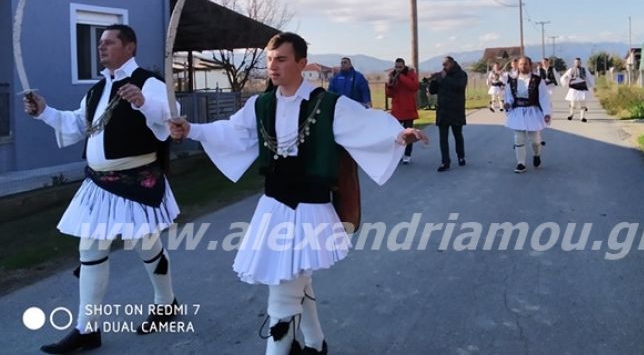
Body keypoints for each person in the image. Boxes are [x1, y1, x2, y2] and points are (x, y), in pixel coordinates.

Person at [169, 32, 426, 355]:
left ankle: (294, 347)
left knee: (282, 294)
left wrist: (399, 134)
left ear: (302, 63)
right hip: (273, 207)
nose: (272, 67)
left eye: (281, 59)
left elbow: (367, 124)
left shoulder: (329, 104)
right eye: (269, 60)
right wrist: (191, 129)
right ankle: (316, 344)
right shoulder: (260, 104)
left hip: (310, 209)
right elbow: (232, 132)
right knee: (293, 280)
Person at [24, 24, 180, 353]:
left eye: (109, 42)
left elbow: (167, 120)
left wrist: (142, 104)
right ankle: (87, 329)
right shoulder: (97, 90)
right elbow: (78, 124)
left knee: (145, 245)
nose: (101, 47)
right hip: (99, 182)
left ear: (130, 47)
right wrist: (45, 112)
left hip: (137, 180)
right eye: (100, 43)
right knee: (91, 250)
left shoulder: (149, 84)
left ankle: (166, 304)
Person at [504, 56, 552, 173]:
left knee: (535, 139)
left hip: (532, 111)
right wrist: (508, 104)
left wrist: (546, 113)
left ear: (530, 65)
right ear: (518, 65)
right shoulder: (512, 80)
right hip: (518, 111)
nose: (523, 66)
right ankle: (521, 163)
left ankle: (537, 154)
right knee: (518, 138)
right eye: (521, 64)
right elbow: (509, 97)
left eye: (525, 64)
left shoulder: (537, 80)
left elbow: (544, 97)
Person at [428, 56, 468, 172]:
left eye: (445, 64)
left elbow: (459, 87)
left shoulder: (461, 74)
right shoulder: (442, 76)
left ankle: (461, 156)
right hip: (443, 110)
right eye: (443, 65)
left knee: (457, 135)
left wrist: (445, 79)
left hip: (456, 109)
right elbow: (432, 91)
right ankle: (445, 162)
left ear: (452, 63)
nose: (444, 67)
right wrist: (434, 80)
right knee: (443, 138)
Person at [385, 58, 419, 164]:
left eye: (400, 67)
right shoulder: (392, 75)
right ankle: (398, 154)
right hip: (397, 110)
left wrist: (401, 77)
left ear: (404, 66)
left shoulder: (410, 73)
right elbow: (389, 94)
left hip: (408, 109)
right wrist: (389, 83)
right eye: (396, 67)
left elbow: (414, 87)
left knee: (408, 134)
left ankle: (407, 154)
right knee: (397, 134)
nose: (398, 69)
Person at [560, 57, 595, 122]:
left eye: (578, 62)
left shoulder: (584, 70)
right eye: (576, 62)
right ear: (574, 63)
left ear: (580, 63)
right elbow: (565, 76)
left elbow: (589, 77)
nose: (577, 63)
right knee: (573, 103)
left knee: (583, 103)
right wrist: (565, 80)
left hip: (582, 87)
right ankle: (571, 114)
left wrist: (592, 86)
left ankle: (582, 117)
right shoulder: (571, 70)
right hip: (574, 88)